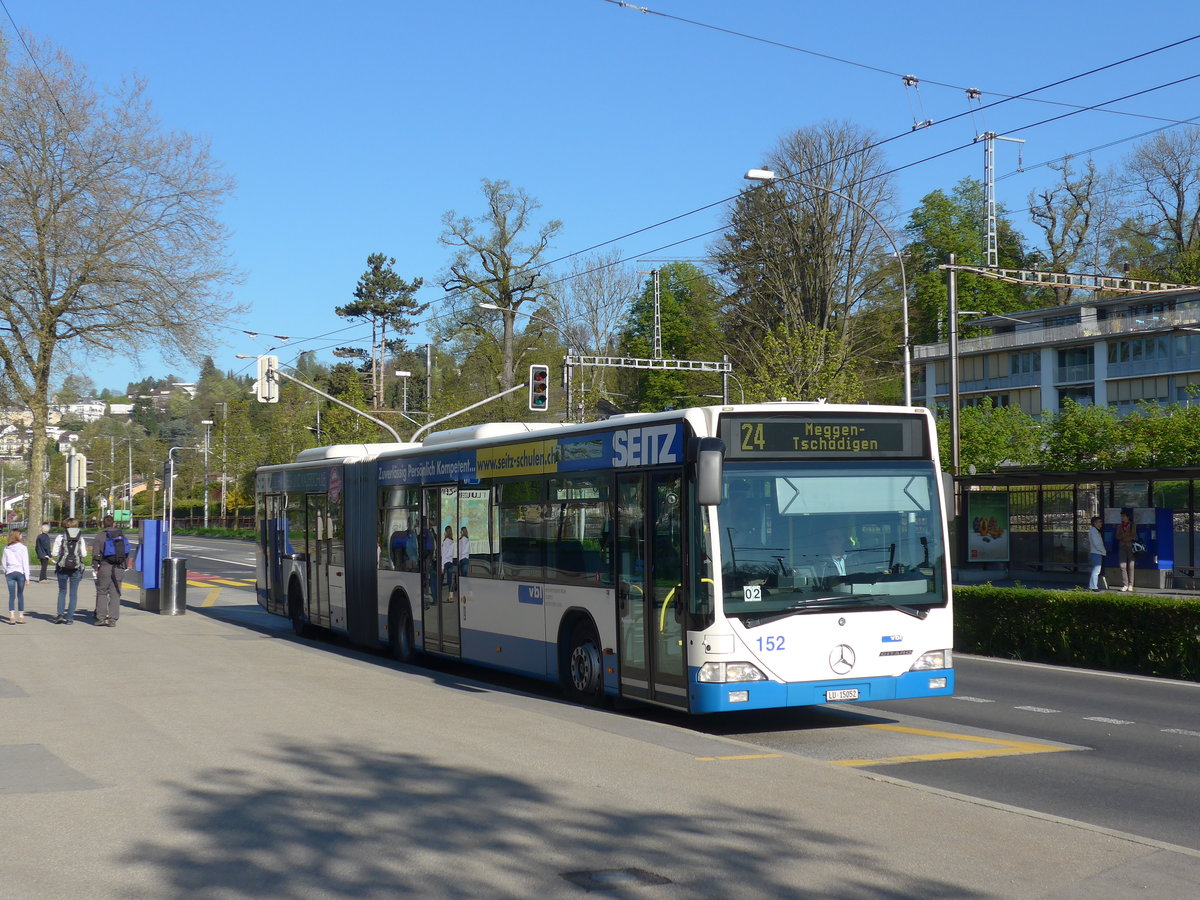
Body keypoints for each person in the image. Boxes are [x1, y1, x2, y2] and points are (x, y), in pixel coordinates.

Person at [92, 514, 133, 627]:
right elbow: (126, 553)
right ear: (114, 523)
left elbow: (95, 554)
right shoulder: (121, 535)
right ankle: (113, 619)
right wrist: (124, 566)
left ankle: (101, 618)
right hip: (119, 567)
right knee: (115, 594)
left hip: (105, 567)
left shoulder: (100, 536)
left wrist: (96, 567)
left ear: (103, 524)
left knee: (102, 592)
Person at [51, 517, 87, 624]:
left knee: (62, 591)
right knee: (73, 594)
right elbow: (84, 554)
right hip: (76, 567)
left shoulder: (60, 537)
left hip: (62, 567)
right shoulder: (81, 537)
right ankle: (70, 618)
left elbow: (54, 553)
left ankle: (60, 615)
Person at [3, 529, 31, 624]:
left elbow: (4, 562)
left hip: (10, 572)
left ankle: (11, 616)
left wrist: (6, 571)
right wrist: (27, 577)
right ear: (17, 536)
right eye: (21, 535)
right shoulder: (23, 548)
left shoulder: (7, 548)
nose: (22, 537)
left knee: (11, 595)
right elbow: (25, 563)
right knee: (20, 594)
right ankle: (21, 616)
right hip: (20, 572)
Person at [1115, 508, 1136, 593]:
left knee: (1131, 565)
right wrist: (1123, 538)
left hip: (1130, 546)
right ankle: (1125, 584)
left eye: (1123, 516)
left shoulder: (1132, 525)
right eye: (1121, 516)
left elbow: (1133, 535)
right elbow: (1117, 536)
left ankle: (1131, 585)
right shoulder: (1119, 526)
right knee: (1122, 565)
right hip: (1122, 546)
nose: (1122, 518)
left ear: (1128, 517)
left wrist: (1124, 538)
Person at [1087, 516, 1107, 591]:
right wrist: (1103, 551)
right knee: (1096, 570)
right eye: (1099, 522)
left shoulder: (1093, 531)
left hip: (1096, 552)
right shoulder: (1094, 532)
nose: (1101, 524)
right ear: (1095, 523)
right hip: (1097, 552)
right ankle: (1093, 586)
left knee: (1096, 569)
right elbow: (1097, 544)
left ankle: (1093, 585)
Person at [441, 525, 455, 600]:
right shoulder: (452, 541)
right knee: (450, 580)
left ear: (446, 532)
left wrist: (442, 566)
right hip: (450, 562)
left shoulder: (445, 542)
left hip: (445, 562)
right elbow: (451, 553)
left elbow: (443, 554)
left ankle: (439, 595)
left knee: (441, 580)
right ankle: (451, 596)